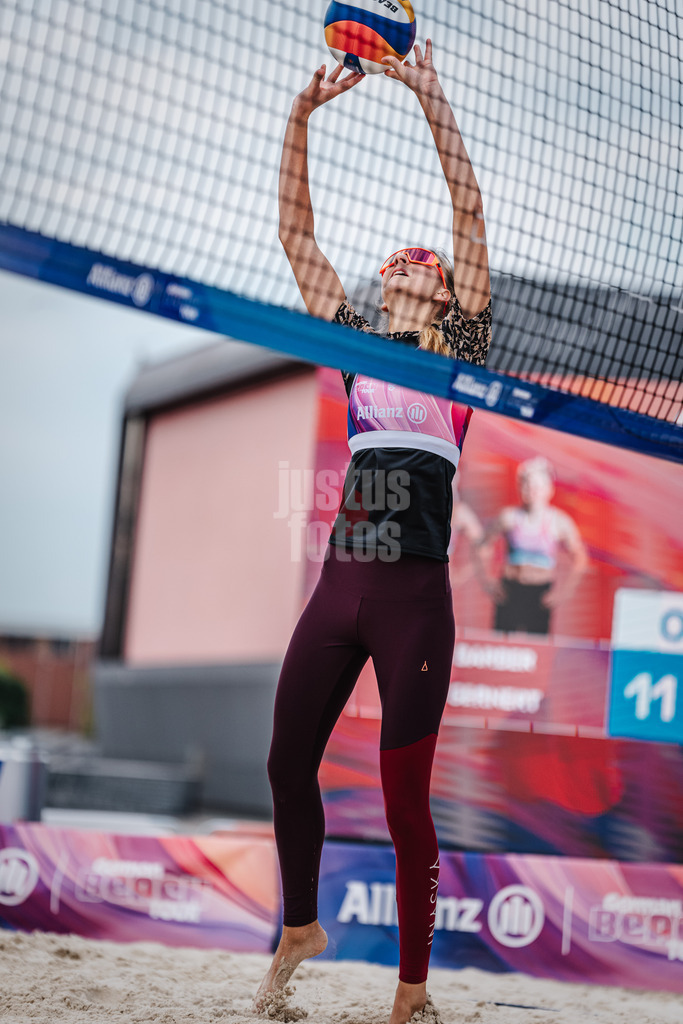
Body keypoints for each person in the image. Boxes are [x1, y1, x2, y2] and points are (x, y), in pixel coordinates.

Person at [255, 42, 491, 1024]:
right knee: (282, 763)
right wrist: (300, 120)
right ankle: (301, 924)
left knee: (403, 806)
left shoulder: (465, 351)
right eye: (398, 255)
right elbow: (294, 233)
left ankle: (409, 993)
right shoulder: (353, 347)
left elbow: (465, 211)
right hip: (339, 588)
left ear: (439, 293)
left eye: (422, 261)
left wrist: (428, 91)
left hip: (411, 602)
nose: (409, 257)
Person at [478, 456, 588, 634]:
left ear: (549, 490)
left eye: (537, 486)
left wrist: (565, 592)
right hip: (510, 592)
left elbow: (580, 558)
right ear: (520, 487)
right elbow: (482, 546)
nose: (532, 491)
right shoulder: (509, 517)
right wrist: (487, 581)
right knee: (502, 651)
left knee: (536, 651)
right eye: (527, 485)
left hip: (539, 595)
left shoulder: (559, 522)